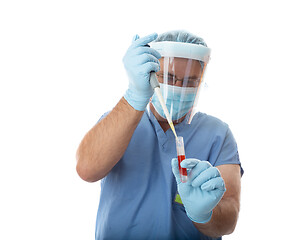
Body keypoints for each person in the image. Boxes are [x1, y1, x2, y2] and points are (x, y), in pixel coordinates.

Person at [76, 30, 243, 240]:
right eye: (170, 78)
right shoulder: (120, 121)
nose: (179, 89)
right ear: (152, 75)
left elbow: (229, 219)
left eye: (190, 82)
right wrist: (134, 96)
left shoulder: (217, 134)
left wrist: (204, 214)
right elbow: (86, 169)